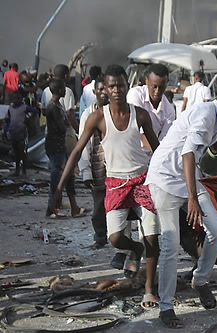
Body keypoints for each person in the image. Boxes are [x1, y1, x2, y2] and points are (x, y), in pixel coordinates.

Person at [54, 65, 160, 309]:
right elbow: (77, 151)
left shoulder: (140, 115)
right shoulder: (97, 117)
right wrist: (60, 187)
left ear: (127, 86)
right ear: (104, 89)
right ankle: (134, 249)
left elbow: (158, 150)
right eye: (111, 86)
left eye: (120, 85)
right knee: (114, 239)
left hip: (142, 181)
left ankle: (148, 291)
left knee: (153, 238)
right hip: (114, 184)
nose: (116, 90)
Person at [145, 80, 217, 328]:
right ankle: (166, 307)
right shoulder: (205, 115)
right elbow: (188, 153)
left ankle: (199, 279)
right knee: (170, 245)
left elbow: (202, 152)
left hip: (188, 179)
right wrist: (192, 198)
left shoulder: (214, 116)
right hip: (166, 179)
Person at [78, 76, 109, 249]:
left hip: (114, 166)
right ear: (95, 92)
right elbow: (83, 145)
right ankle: (100, 236)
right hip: (97, 167)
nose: (104, 93)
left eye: (106, 89)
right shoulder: (88, 114)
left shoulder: (116, 111)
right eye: (100, 89)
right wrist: (85, 171)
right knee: (98, 206)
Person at [44, 79, 83, 218]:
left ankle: (70, 207)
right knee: (56, 177)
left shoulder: (57, 105)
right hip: (56, 145)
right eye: (64, 87)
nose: (66, 89)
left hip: (59, 144)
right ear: (60, 90)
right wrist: (67, 123)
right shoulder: (53, 107)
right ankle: (51, 208)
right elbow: (62, 125)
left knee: (67, 175)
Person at [127, 64, 175, 154]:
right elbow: (140, 132)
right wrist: (158, 153)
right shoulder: (135, 94)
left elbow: (163, 141)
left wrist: (158, 156)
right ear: (146, 81)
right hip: (132, 152)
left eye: (161, 87)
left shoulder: (169, 110)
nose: (157, 91)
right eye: (154, 86)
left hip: (151, 156)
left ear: (167, 83)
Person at [5, 92, 36, 175]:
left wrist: (28, 117)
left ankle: (24, 170)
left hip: (21, 133)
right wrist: (7, 129)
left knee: (22, 152)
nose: (16, 100)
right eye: (15, 98)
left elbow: (34, 111)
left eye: (18, 98)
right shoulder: (10, 108)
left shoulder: (24, 107)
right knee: (15, 152)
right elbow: (8, 119)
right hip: (13, 132)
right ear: (12, 99)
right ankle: (17, 169)